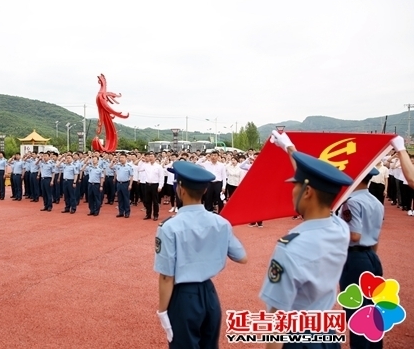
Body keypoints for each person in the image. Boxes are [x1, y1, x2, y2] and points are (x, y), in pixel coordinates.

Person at [260, 130, 353, 348]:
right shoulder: (340, 228)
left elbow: (277, 315)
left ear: (307, 192)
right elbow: (314, 184)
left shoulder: (291, 246)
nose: (292, 191)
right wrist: (289, 148)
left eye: (295, 186)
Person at [154, 160, 247, 348]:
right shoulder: (220, 222)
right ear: (205, 190)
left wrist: (162, 311)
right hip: (210, 295)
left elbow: (166, 277)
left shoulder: (170, 227)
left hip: (184, 297)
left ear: (180, 189)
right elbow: (242, 257)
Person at [337, 168, 384, 349]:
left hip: (355, 258)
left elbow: (354, 235)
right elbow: (376, 236)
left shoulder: (352, 202)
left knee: (357, 314)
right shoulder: (376, 202)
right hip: (371, 256)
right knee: (373, 313)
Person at [140, 152, 165, 221]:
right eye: (149, 156)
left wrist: (160, 186)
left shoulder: (158, 166)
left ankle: (155, 215)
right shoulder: (146, 165)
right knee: (147, 201)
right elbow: (139, 169)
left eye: (152, 156)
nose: (150, 158)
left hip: (155, 185)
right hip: (147, 184)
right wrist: (141, 161)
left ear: (155, 158)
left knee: (155, 201)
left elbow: (161, 177)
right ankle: (148, 214)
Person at [113, 153, 134, 218]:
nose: (121, 159)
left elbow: (131, 176)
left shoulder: (129, 167)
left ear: (126, 158)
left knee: (126, 199)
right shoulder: (118, 166)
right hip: (119, 183)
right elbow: (110, 167)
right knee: (120, 199)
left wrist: (130, 185)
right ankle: (121, 212)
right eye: (120, 158)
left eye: (123, 158)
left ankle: (127, 212)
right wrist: (113, 161)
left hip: (126, 183)